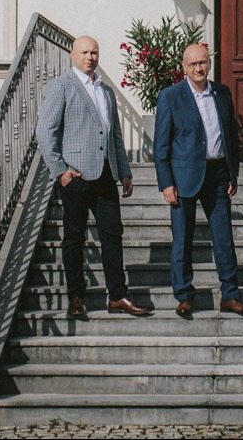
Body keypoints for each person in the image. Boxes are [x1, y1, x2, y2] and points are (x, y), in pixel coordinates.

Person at [34, 35, 152, 318]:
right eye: (85, 52)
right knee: (74, 238)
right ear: (73, 54)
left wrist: (124, 171)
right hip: (75, 177)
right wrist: (60, 171)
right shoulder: (61, 87)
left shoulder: (107, 92)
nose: (90, 57)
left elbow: (115, 136)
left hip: (106, 175)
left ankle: (117, 296)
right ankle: (76, 298)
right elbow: (44, 131)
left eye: (95, 53)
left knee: (113, 234)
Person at [152, 42, 243, 318]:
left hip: (218, 174)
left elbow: (230, 135)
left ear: (209, 64)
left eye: (203, 63)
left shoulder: (222, 93)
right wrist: (166, 182)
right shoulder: (171, 96)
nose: (199, 68)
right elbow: (161, 145)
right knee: (182, 239)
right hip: (183, 177)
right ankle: (184, 296)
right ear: (184, 67)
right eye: (193, 64)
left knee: (224, 238)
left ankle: (230, 295)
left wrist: (233, 172)